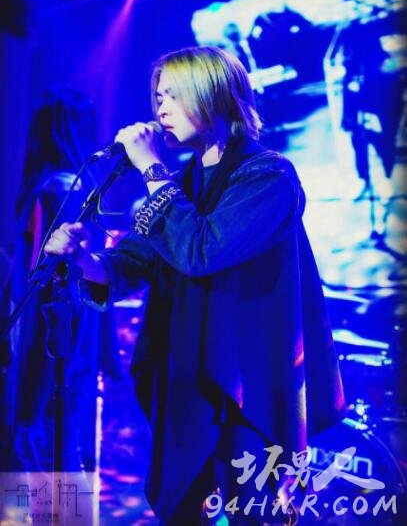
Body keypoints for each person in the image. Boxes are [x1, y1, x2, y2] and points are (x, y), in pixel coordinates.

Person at [44, 47, 346, 524]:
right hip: (187, 385)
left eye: (172, 95)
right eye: (157, 97)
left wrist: (151, 168)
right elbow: (132, 264)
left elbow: (202, 250)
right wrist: (85, 261)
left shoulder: (268, 176)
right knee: (183, 511)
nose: (160, 108)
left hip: (249, 394)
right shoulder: (181, 183)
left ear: (212, 94)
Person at [0, 88, 119, 472]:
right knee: (59, 445)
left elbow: (45, 280)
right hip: (63, 332)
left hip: (49, 334)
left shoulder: (54, 190)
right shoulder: (72, 189)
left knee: (43, 443)